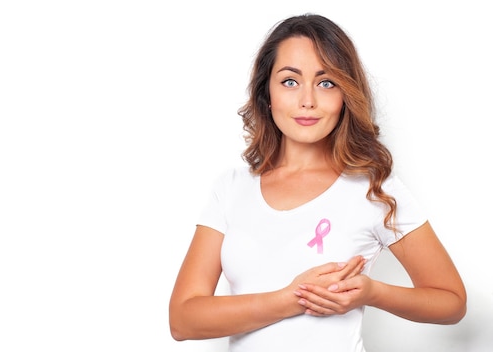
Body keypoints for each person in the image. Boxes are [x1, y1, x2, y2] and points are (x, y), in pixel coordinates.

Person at [168, 13, 467, 352]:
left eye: (326, 83)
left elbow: (451, 301)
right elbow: (183, 320)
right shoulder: (232, 188)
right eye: (290, 81)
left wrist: (372, 292)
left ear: (345, 95)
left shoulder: (374, 189)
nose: (307, 100)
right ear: (267, 93)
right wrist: (290, 299)